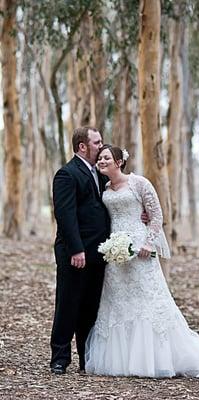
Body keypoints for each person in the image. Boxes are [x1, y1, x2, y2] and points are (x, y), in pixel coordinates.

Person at [85, 145, 199, 378]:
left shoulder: (139, 183)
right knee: (118, 299)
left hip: (140, 248)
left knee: (148, 298)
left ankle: (157, 357)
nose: (101, 161)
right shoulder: (104, 187)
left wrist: (148, 242)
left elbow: (157, 215)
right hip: (115, 250)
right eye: (99, 158)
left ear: (119, 162)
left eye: (106, 157)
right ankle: (123, 359)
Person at [50, 126, 111, 374]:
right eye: (97, 142)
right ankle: (60, 358)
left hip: (99, 252)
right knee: (68, 303)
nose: (101, 146)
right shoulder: (67, 174)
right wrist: (76, 249)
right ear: (82, 147)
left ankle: (87, 358)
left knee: (90, 307)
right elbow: (65, 216)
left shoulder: (101, 173)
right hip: (75, 253)